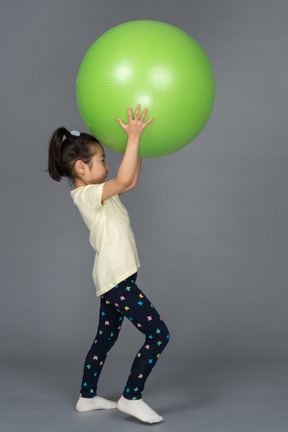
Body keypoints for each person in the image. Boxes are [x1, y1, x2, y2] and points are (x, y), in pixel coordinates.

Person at [46, 105, 170, 424]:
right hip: (117, 281)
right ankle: (132, 397)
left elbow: (129, 182)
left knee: (105, 338)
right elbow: (124, 177)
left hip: (113, 277)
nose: (107, 163)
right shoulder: (86, 196)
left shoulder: (100, 192)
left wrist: (140, 144)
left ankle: (87, 397)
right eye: (101, 159)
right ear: (81, 168)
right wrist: (132, 137)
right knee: (158, 334)